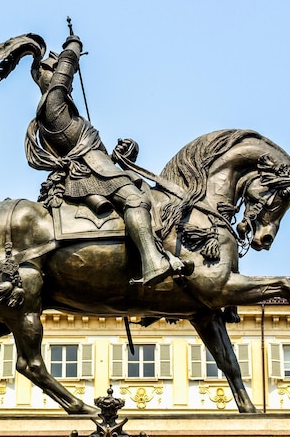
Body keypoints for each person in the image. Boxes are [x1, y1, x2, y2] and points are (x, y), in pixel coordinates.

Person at [25, 34, 189, 286]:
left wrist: (123, 153)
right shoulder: (52, 107)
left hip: (100, 172)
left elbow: (100, 156)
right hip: (89, 177)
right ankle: (152, 261)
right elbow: (63, 78)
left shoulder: (71, 118)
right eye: (58, 73)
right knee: (135, 200)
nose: (66, 83)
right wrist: (73, 48)